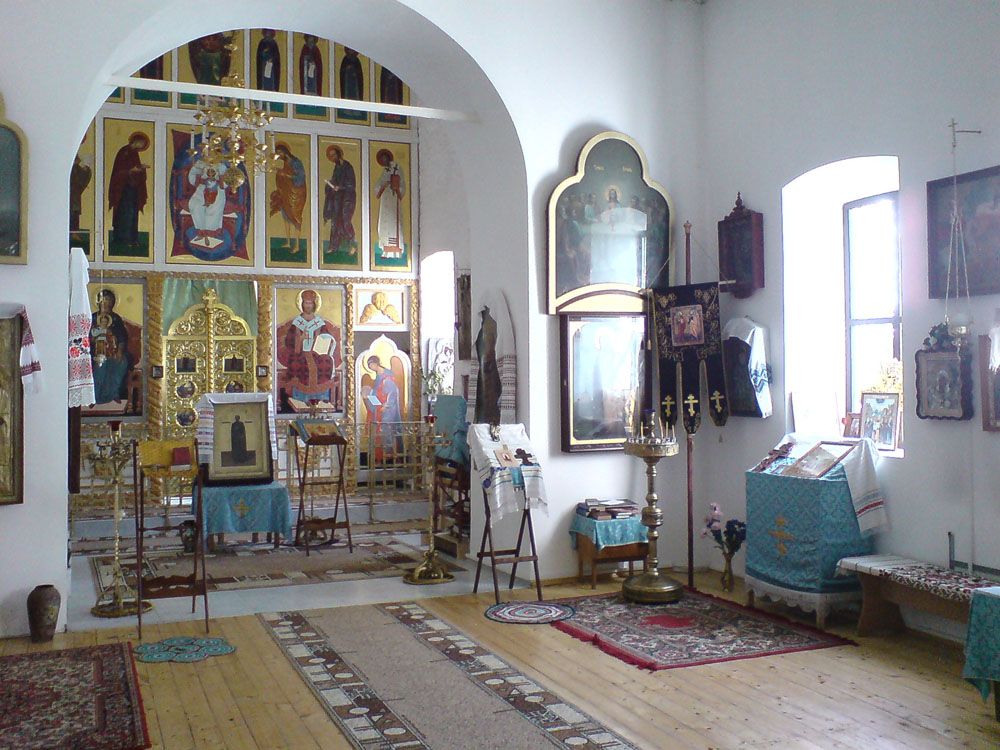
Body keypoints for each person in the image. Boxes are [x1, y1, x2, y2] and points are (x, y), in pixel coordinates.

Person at [276, 289, 342, 408]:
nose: (308, 306)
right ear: (302, 304)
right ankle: (300, 398)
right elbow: (288, 341)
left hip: (317, 353)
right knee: (300, 363)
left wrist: (322, 340)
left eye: (310, 303)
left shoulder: (319, 322)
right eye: (306, 303)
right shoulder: (297, 322)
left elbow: (327, 337)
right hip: (299, 352)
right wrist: (300, 339)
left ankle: (322, 398)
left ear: (314, 304)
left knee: (325, 362)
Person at [89, 289, 133, 406]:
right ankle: (94, 396)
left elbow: (122, 337)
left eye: (107, 300)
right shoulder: (93, 318)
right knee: (99, 367)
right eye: (102, 300)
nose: (104, 302)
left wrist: (119, 352)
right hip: (96, 352)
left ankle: (114, 393)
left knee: (121, 363)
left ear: (112, 302)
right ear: (98, 302)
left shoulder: (115, 319)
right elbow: (88, 337)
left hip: (113, 351)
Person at [107, 131, 150, 249]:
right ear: (136, 141)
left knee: (133, 214)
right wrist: (131, 170)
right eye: (141, 143)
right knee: (125, 214)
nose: (141, 146)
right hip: (123, 190)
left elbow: (135, 169)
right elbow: (119, 171)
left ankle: (132, 238)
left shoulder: (134, 153)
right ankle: (123, 239)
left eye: (142, 145)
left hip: (133, 189)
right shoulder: (124, 151)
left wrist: (140, 168)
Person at [269, 143, 307, 250]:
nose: (279, 156)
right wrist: (280, 172)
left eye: (280, 153)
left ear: (285, 152)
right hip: (286, 193)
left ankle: (297, 245)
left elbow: (300, 177)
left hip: (297, 194)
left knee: (295, 217)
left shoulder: (296, 162)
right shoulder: (286, 162)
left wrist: (285, 174)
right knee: (285, 216)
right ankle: (288, 242)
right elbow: (285, 174)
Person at [322, 144, 357, 257]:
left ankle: (352, 245)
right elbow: (335, 179)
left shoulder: (348, 167)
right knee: (335, 221)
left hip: (348, 198)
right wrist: (330, 184)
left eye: (334, 155)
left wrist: (340, 187)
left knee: (345, 221)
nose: (333, 158)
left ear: (339, 154)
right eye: (331, 156)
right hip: (338, 198)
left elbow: (351, 184)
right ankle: (333, 246)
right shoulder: (336, 168)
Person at [365, 355, 401, 459]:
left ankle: (389, 456)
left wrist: (386, 405)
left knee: (386, 431)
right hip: (378, 408)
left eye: (372, 365)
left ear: (376, 363)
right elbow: (376, 391)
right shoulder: (378, 376)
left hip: (387, 410)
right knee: (378, 431)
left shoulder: (387, 376)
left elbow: (392, 392)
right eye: (370, 367)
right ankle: (379, 456)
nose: (372, 368)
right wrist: (369, 396)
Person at [374, 148, 406, 258]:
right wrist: (384, 185)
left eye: (385, 158)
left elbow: (402, 184)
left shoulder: (397, 168)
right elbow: (378, 186)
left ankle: (397, 252)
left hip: (394, 200)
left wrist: (397, 187)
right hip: (385, 200)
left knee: (395, 224)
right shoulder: (384, 171)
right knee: (384, 224)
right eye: (382, 159)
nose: (384, 161)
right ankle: (385, 250)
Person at [187, 160, 226, 243]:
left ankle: (211, 234)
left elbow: (224, 184)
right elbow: (193, 180)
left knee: (214, 208)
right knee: (195, 205)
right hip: (201, 189)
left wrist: (219, 176)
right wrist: (199, 172)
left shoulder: (221, 166)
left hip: (217, 190)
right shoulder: (200, 163)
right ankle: (201, 232)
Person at [69, 152, 92, 232]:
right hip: (71, 199)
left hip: (74, 199)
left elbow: (83, 180)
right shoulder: (75, 169)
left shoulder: (79, 169)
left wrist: (85, 169)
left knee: (74, 215)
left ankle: (74, 232)